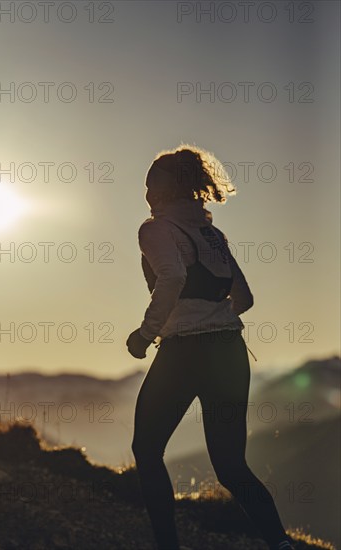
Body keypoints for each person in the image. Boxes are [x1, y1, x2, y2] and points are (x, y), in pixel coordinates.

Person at [126, 145, 295, 550]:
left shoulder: (155, 230)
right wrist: (214, 316)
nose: (146, 191)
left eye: (150, 183)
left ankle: (167, 545)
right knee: (232, 467)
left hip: (185, 353)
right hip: (229, 351)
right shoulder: (211, 234)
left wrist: (146, 333)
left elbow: (170, 278)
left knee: (147, 449)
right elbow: (245, 298)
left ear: (163, 189)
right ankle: (282, 545)